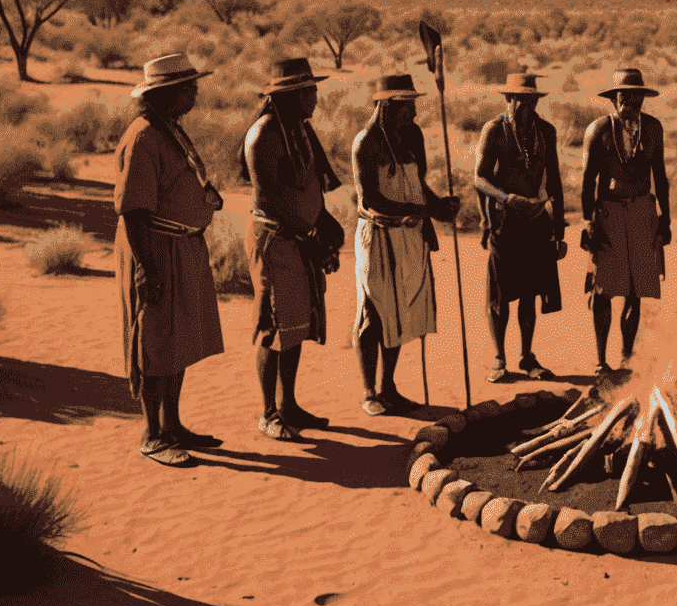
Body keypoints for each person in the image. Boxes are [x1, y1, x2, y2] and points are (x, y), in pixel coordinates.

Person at [113, 53, 226, 467]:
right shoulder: (143, 137)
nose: (195, 92)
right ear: (167, 94)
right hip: (155, 248)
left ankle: (173, 425)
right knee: (154, 341)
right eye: (188, 87)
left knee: (176, 341)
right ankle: (152, 433)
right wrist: (147, 267)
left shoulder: (169, 130)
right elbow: (133, 211)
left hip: (181, 246)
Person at [240, 57, 345, 442]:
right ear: (290, 96)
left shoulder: (299, 129)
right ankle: (269, 413)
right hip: (276, 240)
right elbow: (271, 198)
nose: (315, 98)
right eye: (308, 92)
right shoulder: (264, 135)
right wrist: (312, 233)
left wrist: (325, 224)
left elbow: (308, 188)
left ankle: (289, 405)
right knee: (274, 325)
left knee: (296, 324)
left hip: (300, 237)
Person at [351, 73, 457, 416]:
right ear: (387, 106)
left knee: (401, 312)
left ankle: (389, 388)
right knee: (373, 311)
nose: (413, 112)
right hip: (379, 236)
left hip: (411, 237)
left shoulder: (412, 135)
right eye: (406, 105)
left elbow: (418, 184)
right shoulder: (366, 142)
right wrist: (420, 210)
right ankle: (369, 392)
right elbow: (370, 201)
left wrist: (439, 206)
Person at [475, 71, 567, 382]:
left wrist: (559, 230)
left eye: (530, 100)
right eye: (518, 100)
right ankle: (499, 358)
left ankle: (527, 356)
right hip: (505, 221)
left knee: (529, 294)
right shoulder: (495, 131)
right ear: (508, 100)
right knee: (500, 295)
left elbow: (554, 179)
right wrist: (506, 198)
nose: (524, 106)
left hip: (536, 223)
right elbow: (479, 178)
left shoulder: (546, 131)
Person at [581, 67, 672, 380]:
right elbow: (587, 182)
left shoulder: (653, 129)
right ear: (614, 98)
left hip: (643, 212)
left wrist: (666, 219)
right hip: (608, 214)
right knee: (604, 289)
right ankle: (600, 359)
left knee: (636, 290)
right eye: (624, 96)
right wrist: (588, 221)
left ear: (643, 100)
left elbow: (660, 176)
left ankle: (627, 356)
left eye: (636, 96)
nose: (630, 101)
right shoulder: (599, 130)